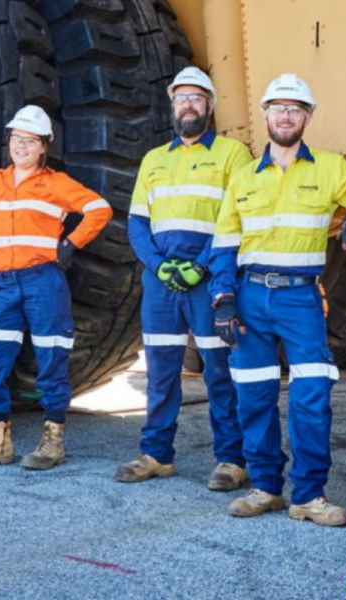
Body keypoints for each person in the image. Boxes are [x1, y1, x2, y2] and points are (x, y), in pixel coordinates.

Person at [208, 73, 346, 526]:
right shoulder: (243, 178)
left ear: (308, 117)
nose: (286, 115)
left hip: (301, 299)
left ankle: (308, 495)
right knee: (253, 396)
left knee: (311, 396)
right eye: (278, 107)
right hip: (250, 297)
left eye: (295, 108)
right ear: (265, 115)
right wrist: (223, 299)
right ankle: (266, 487)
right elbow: (223, 246)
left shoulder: (329, 168)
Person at [0, 105, 112, 471]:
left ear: (44, 147)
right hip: (4, 286)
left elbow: (99, 209)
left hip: (43, 282)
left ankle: (53, 443)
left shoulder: (56, 184)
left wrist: (70, 244)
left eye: (30, 141)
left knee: (51, 359)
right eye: (16, 139)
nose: (21, 146)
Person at [117, 67, 252, 491]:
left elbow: (238, 218)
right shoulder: (154, 160)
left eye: (196, 98)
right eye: (181, 99)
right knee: (160, 371)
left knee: (219, 370)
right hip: (162, 282)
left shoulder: (234, 155)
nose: (188, 105)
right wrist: (159, 266)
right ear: (172, 106)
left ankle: (232, 459)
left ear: (210, 106)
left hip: (208, 278)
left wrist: (204, 265)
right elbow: (138, 224)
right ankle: (157, 454)